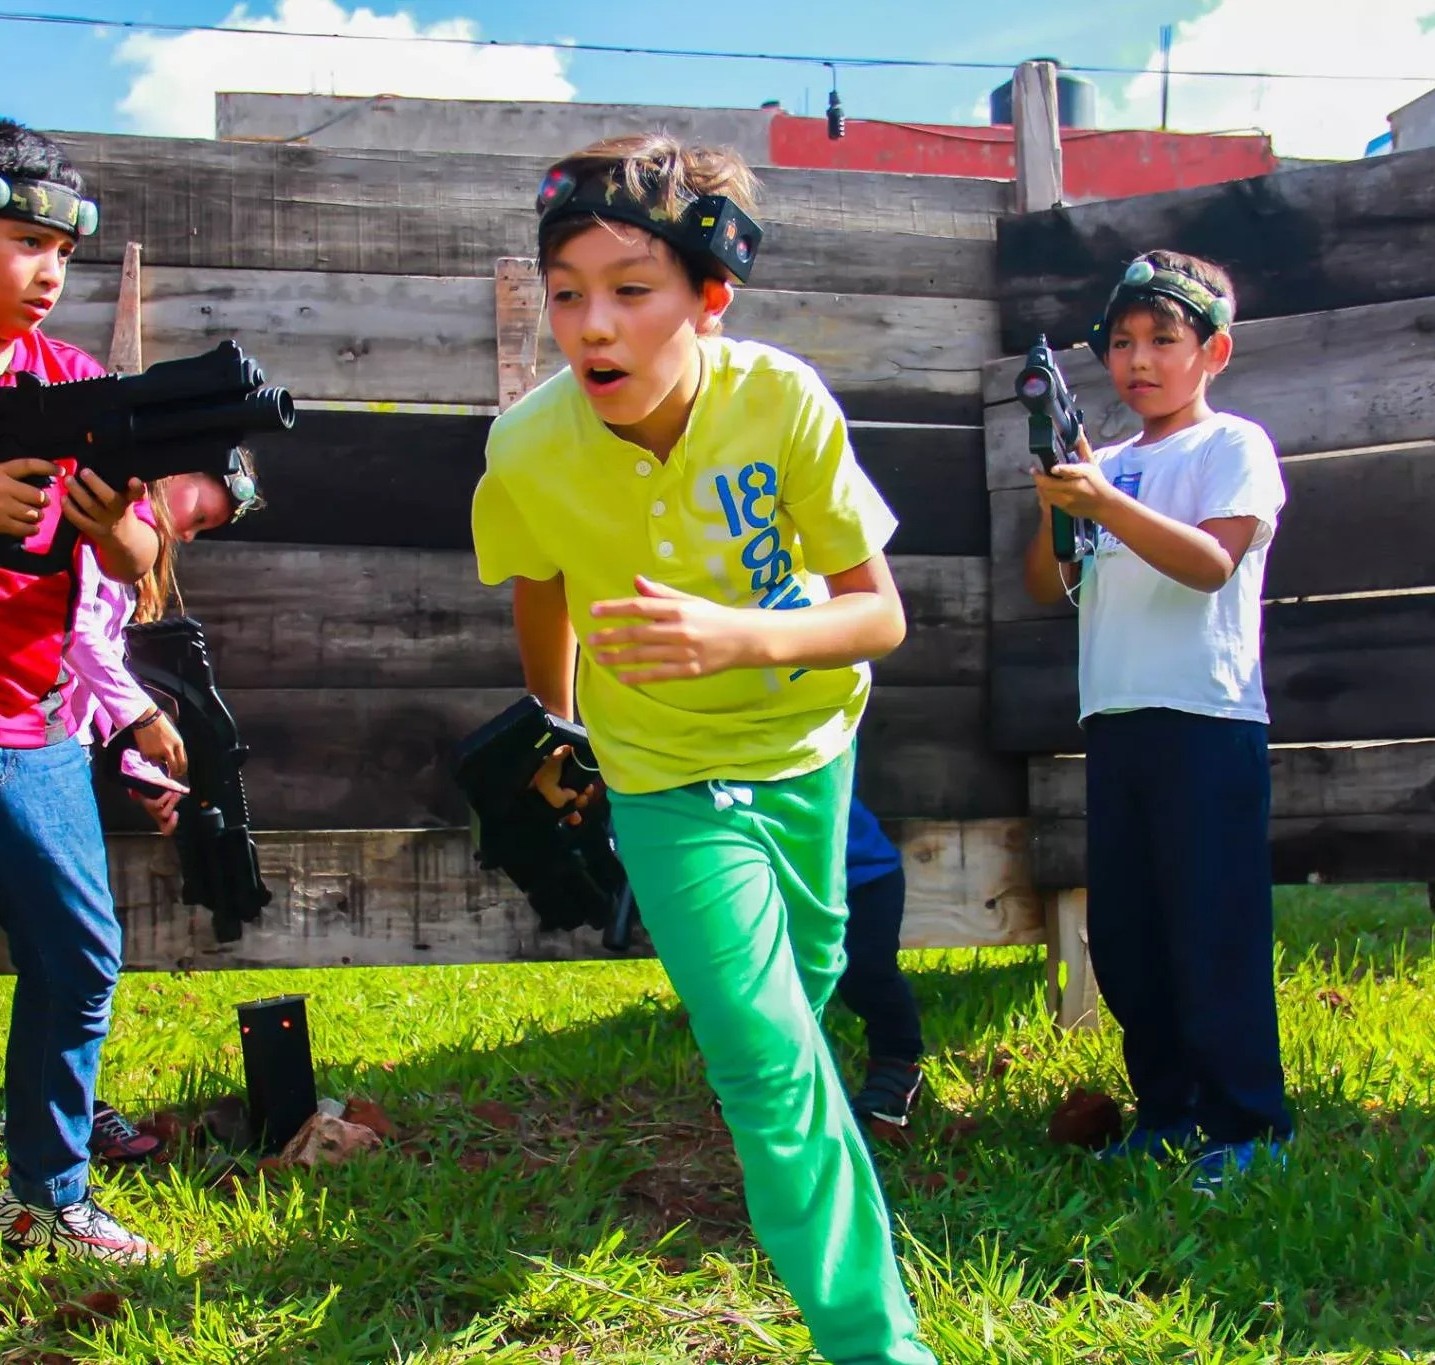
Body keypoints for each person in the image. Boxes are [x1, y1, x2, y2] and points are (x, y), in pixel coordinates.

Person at [470, 134, 937, 1364]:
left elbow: (877, 616)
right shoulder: (523, 447)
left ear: (707, 296)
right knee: (769, 1067)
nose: (591, 327)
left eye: (631, 290)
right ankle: (874, 1343)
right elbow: (538, 587)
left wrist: (738, 635)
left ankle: (796, 1166)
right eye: (567, 294)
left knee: (809, 988)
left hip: (808, 750)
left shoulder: (778, 400)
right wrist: (560, 724)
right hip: (663, 781)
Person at [1022, 249, 1293, 1194]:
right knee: (1132, 935)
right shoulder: (1114, 463)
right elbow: (1047, 584)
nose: (1137, 361)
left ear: (1212, 350)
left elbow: (1210, 564)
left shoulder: (1232, 447)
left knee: (1210, 925)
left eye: (1161, 342)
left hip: (1206, 718)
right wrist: (1062, 506)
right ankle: (1167, 1110)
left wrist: (1106, 502)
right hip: (1118, 718)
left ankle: (1250, 1120)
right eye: (1121, 343)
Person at [0, 119, 158, 1260]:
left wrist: (122, 535)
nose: (47, 273)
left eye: (60, 251)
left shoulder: (69, 382)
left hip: (32, 720)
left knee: (79, 952)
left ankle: (45, 1196)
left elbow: (147, 560)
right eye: (19, 241)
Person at [64, 451, 264, 1163]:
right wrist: (144, 713)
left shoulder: (132, 551)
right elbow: (75, 637)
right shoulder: (105, 519)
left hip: (47, 750)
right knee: (76, 945)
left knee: (73, 947)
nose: (196, 532)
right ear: (178, 471)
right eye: (203, 513)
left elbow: (86, 689)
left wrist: (137, 771)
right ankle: (59, 1116)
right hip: (23, 749)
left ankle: (62, 1109)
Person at [841, 790, 924, 1128]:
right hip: (762, 874)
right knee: (766, 980)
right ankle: (759, 1070)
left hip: (861, 874)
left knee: (868, 974)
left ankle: (896, 1063)